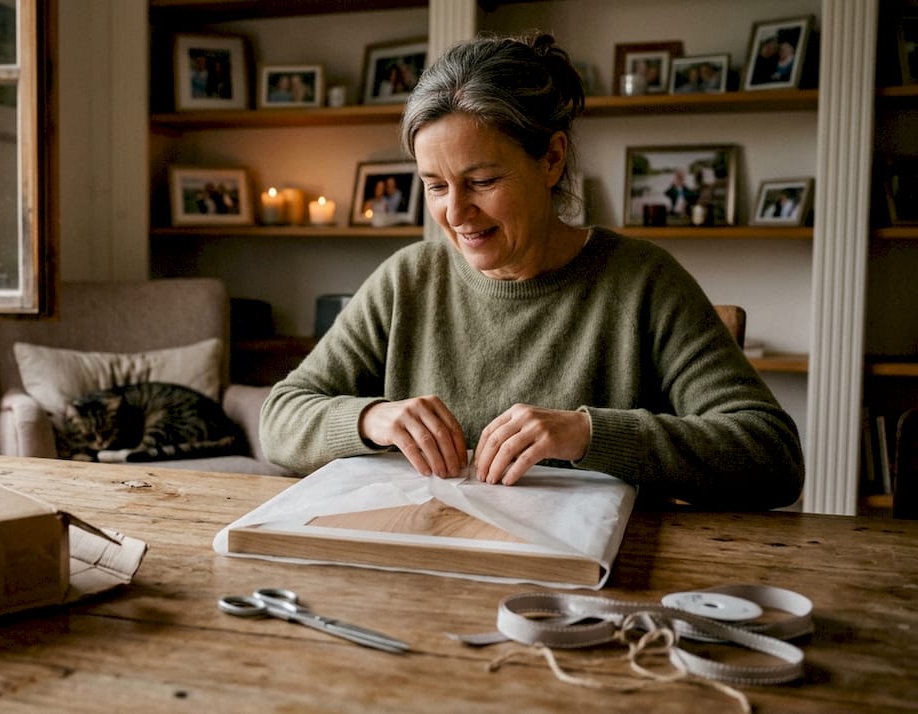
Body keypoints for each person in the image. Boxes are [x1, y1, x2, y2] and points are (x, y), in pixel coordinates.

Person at [258, 33, 804, 510]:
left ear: (552, 159)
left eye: (483, 181)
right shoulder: (408, 280)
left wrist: (589, 434)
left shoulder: (643, 281)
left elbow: (771, 456)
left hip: (588, 592)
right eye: (436, 185)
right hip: (428, 568)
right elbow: (279, 418)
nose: (455, 213)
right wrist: (371, 420)